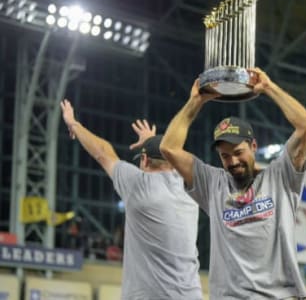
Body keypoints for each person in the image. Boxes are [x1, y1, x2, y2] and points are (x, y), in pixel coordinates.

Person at [160, 68, 306, 299]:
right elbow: (168, 148)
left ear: (253, 147)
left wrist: (269, 88)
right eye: (225, 156)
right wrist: (195, 101)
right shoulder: (213, 184)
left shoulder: (281, 176)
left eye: (238, 152)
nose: (233, 161)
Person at [60, 100, 202, 300]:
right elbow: (169, 155)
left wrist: (74, 123)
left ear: (144, 161)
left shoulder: (139, 185)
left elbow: (102, 152)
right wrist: (152, 143)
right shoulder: (190, 187)